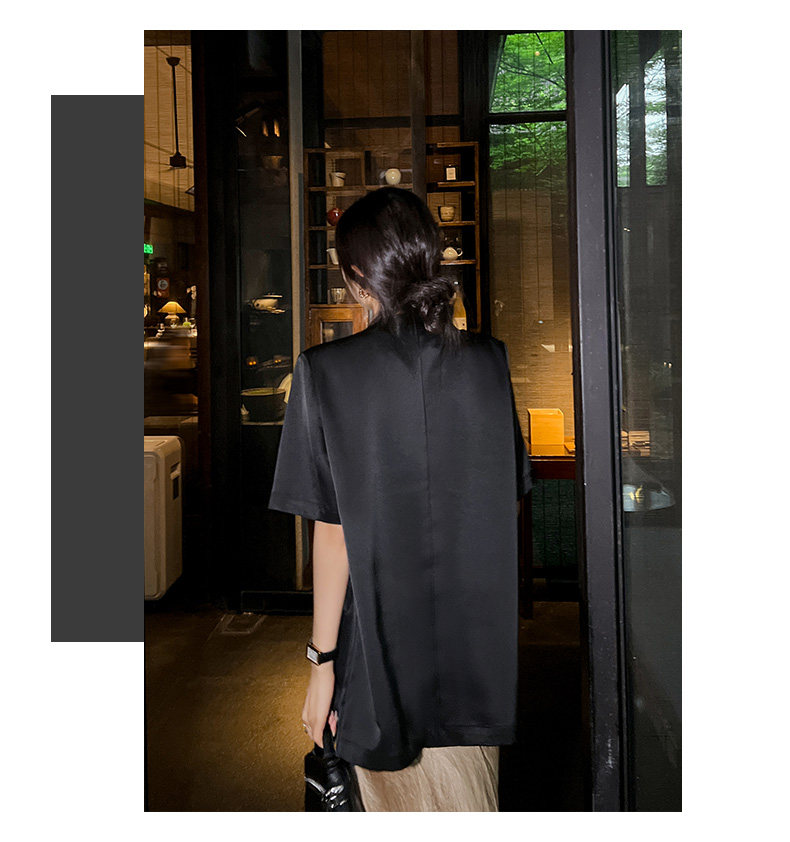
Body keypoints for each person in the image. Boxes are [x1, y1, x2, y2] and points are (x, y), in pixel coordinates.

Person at [268, 186, 533, 811]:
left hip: (378, 650)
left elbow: (333, 534)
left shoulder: (324, 372)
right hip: (476, 655)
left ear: (357, 279)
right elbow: (508, 501)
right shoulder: (489, 362)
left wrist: (321, 663)